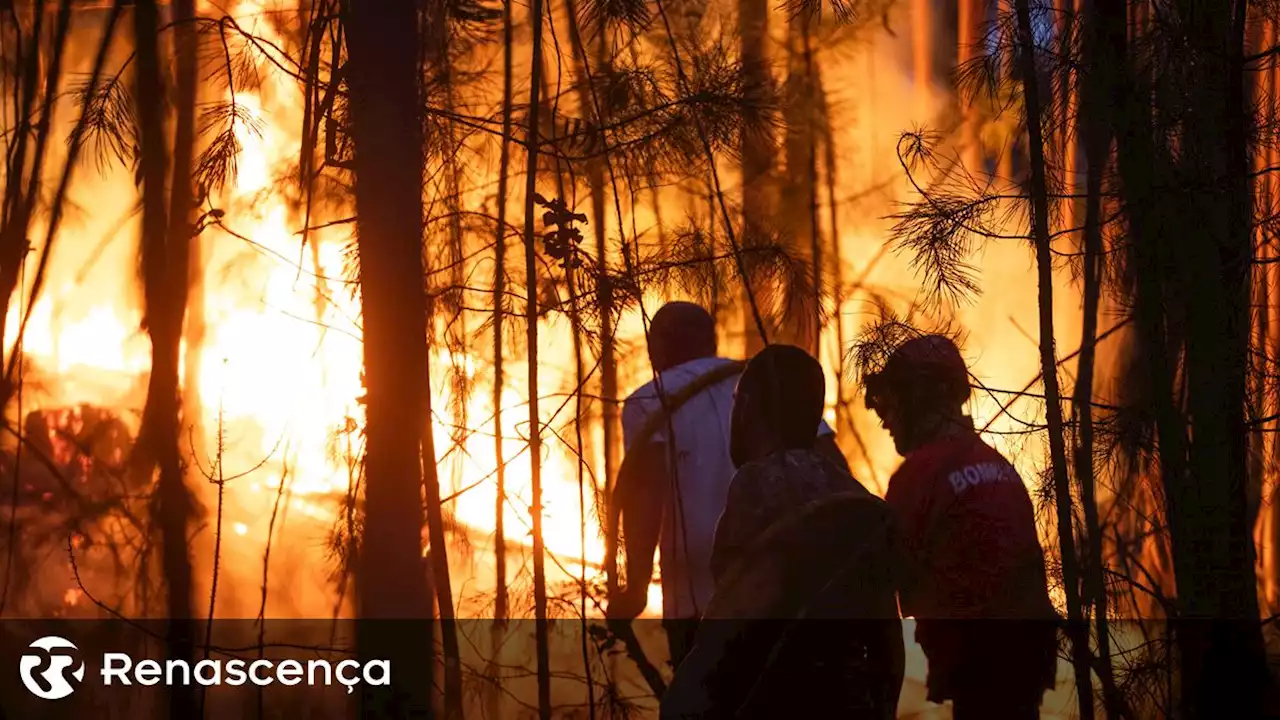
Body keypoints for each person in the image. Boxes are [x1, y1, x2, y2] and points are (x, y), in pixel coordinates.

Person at [661, 344, 903, 719]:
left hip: (776, 698)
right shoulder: (854, 496)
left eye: (737, 400)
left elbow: (734, 617)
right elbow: (887, 631)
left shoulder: (756, 484)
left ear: (750, 408)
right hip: (850, 700)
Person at [605, 303, 846, 669]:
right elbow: (834, 470)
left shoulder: (650, 399)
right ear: (711, 340)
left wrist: (636, 588)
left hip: (697, 596)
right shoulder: (768, 383)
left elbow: (645, 496)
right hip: (788, 584)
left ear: (659, 345)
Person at [864, 334, 1059, 720]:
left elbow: (883, 578)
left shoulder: (918, 476)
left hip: (981, 665)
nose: (885, 421)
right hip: (1026, 658)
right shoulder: (997, 465)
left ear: (918, 399)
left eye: (894, 400)